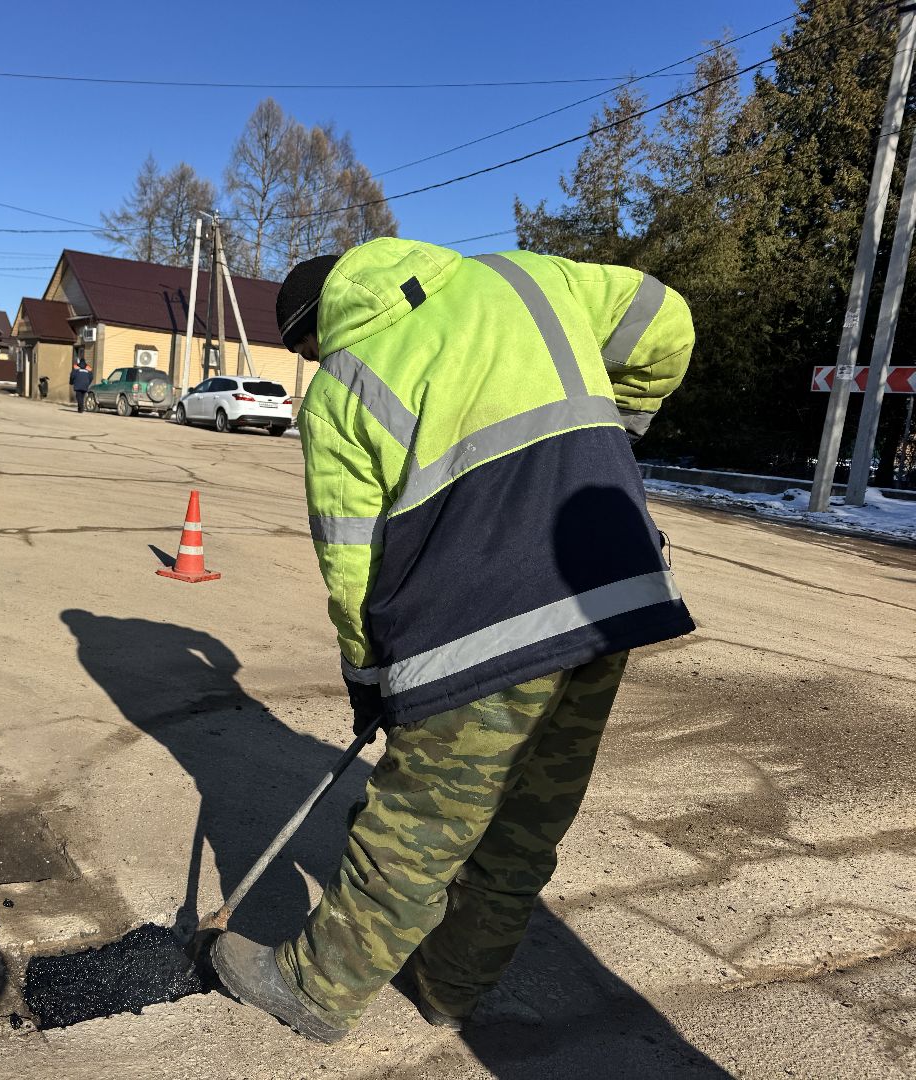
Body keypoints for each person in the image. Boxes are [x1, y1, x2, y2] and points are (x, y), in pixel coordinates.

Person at [210, 238, 696, 1043]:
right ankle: (449, 984)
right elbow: (664, 321)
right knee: (528, 818)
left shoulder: (341, 386)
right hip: (611, 588)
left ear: (315, 329)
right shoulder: (527, 276)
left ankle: (317, 988)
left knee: (419, 821)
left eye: (306, 350)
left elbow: (352, 564)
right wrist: (617, 430)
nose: (314, 360)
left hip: (479, 623)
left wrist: (368, 680)